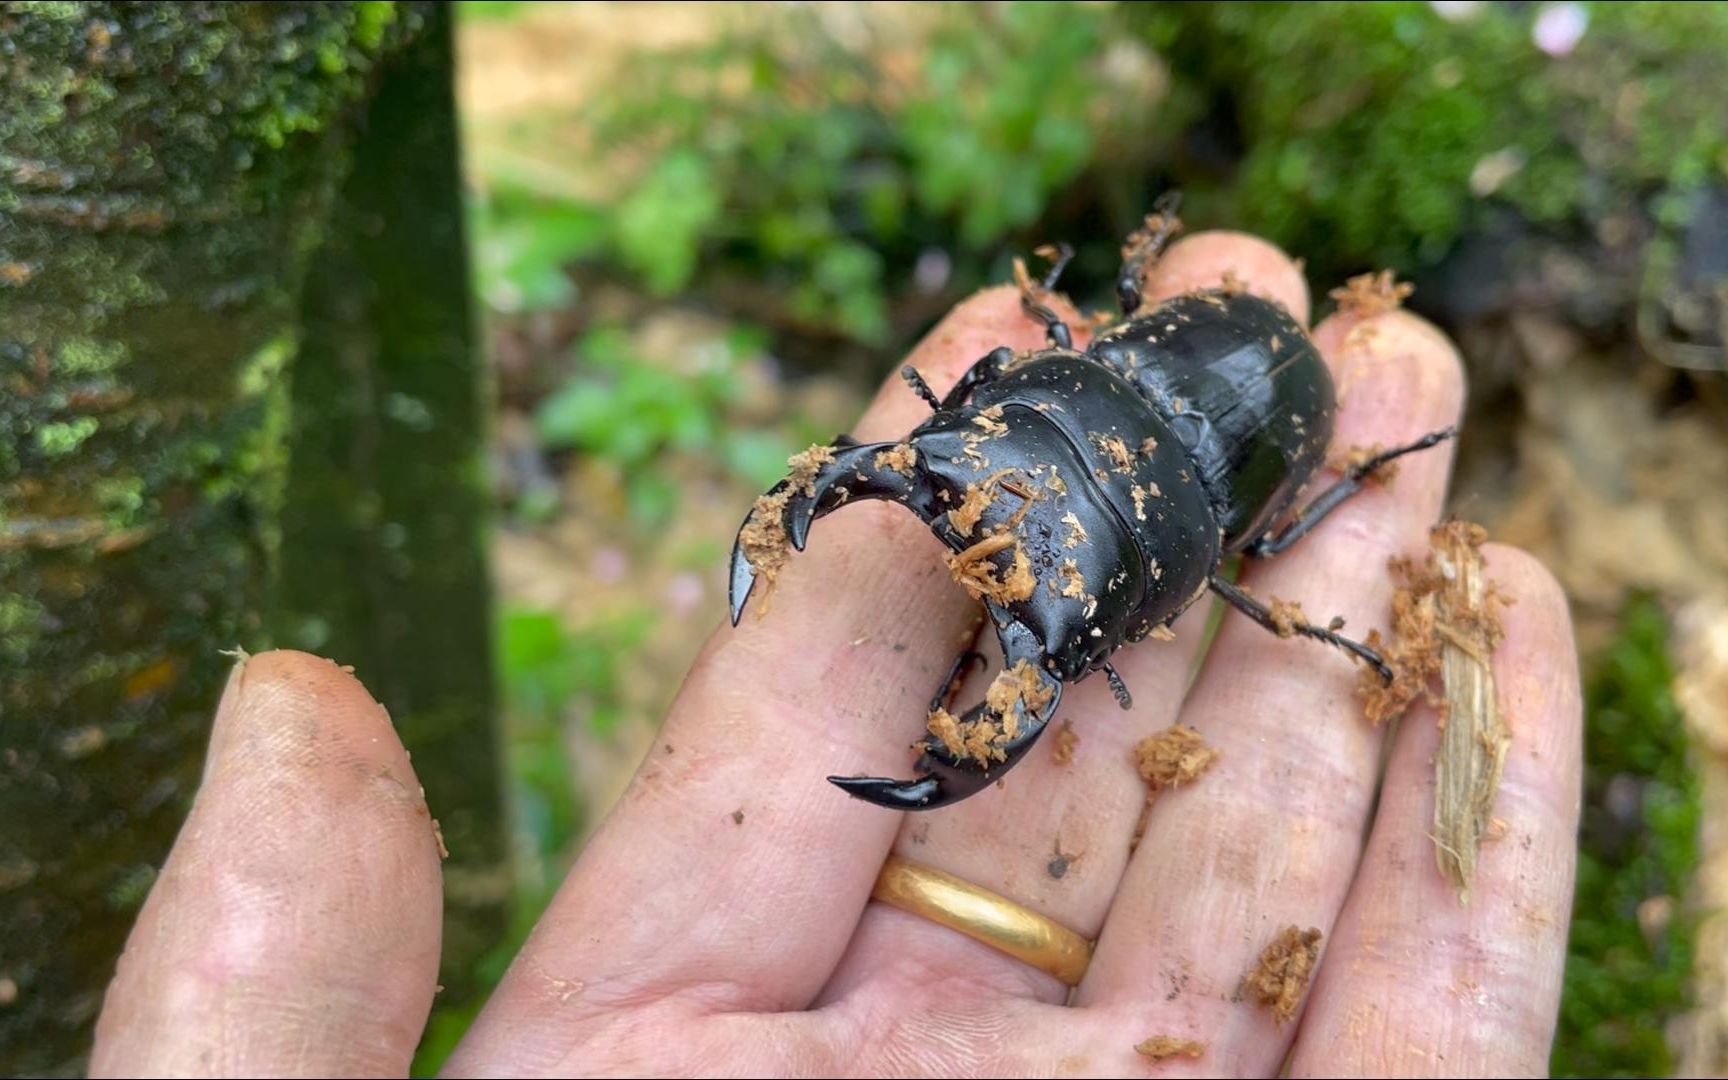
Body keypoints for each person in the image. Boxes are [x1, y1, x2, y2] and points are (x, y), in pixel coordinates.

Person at [89, 232, 1581, 1078]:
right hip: (1114, 407)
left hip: (1206, 427)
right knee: (1078, 466)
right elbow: (1015, 401)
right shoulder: (1060, 388)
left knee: (1255, 563)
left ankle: (1112, 495)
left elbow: (1134, 496)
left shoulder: (1205, 516)